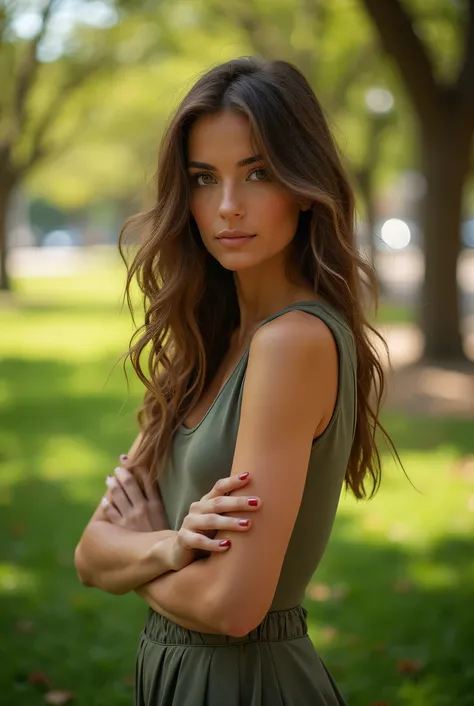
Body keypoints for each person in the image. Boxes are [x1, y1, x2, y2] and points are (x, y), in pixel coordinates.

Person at [74, 56, 396, 705]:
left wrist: (136, 558)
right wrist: (171, 548)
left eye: (258, 173)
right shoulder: (204, 343)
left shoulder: (293, 343)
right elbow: (87, 554)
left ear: (305, 185)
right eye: (203, 178)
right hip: (173, 678)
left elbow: (231, 605)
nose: (226, 207)